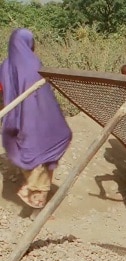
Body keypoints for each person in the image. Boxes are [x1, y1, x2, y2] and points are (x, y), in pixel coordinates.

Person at [0, 28, 72, 209]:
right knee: (54, 142)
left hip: (15, 118)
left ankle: (35, 194)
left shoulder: (5, 65)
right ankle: (32, 192)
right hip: (37, 119)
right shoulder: (32, 63)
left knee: (29, 151)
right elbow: (43, 96)